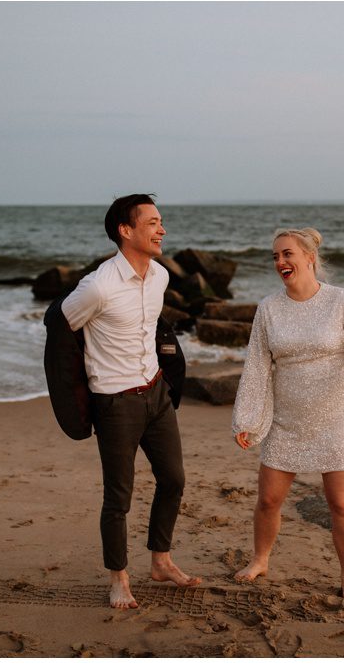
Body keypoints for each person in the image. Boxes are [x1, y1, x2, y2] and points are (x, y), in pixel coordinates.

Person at [230, 228, 344, 600]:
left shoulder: (341, 301)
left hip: (336, 415)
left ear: (310, 258)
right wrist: (248, 417)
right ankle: (260, 559)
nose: (280, 262)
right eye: (276, 256)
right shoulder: (268, 308)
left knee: (341, 503)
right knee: (268, 500)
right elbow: (258, 366)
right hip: (287, 418)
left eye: (288, 254)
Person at [60, 193, 201, 610]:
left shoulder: (159, 276)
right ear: (126, 230)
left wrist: (170, 373)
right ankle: (118, 578)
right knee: (118, 498)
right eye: (153, 222)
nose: (162, 230)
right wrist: (77, 396)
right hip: (116, 402)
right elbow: (61, 327)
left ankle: (161, 561)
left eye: (162, 222)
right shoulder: (98, 286)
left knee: (173, 479)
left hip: (155, 392)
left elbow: (155, 329)